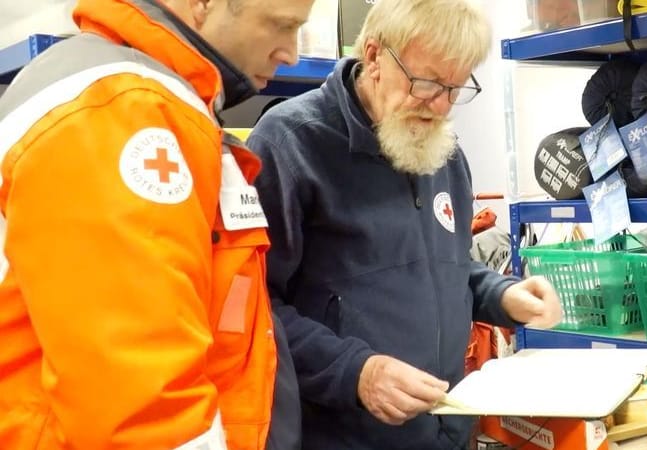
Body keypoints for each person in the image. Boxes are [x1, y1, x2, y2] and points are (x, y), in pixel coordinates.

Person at [246, 0, 563, 448]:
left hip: (447, 433)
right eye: (427, 82)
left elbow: (442, 269)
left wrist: (501, 293)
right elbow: (256, 307)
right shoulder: (290, 144)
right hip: (342, 437)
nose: (441, 105)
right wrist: (356, 372)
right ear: (374, 56)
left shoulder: (442, 150)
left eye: (457, 87)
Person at [0, 0, 314, 448]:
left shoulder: (162, 103)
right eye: (282, 27)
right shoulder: (120, 112)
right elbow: (140, 402)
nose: (291, 53)